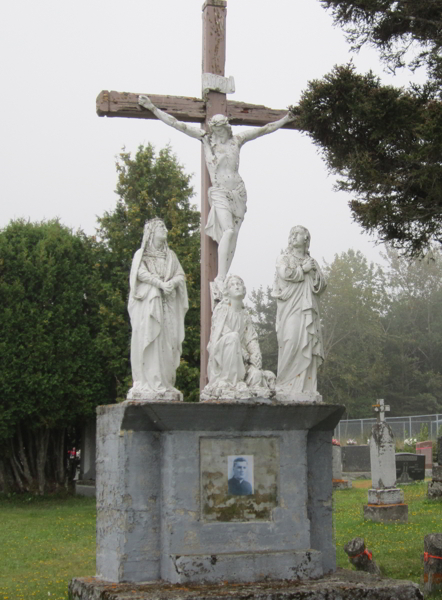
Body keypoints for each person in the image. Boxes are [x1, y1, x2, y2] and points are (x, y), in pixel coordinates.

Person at [138, 94, 295, 284]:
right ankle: (220, 278)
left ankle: (225, 276)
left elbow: (265, 129)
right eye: (216, 129)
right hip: (220, 191)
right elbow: (177, 124)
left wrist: (286, 119)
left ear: (227, 128)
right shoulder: (206, 140)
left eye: (222, 129)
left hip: (238, 191)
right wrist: (153, 108)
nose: (219, 133)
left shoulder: (237, 140)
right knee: (228, 231)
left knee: (234, 236)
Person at [127, 218, 188, 400]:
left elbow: (180, 275)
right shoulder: (142, 254)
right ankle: (148, 382)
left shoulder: (171, 256)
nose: (165, 229)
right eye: (161, 226)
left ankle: (165, 382)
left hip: (167, 307)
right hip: (149, 307)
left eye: (165, 226)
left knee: (167, 343)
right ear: (151, 232)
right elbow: (139, 273)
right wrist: (160, 284)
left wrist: (171, 283)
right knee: (151, 340)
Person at [201, 274, 275, 400]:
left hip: (241, 360)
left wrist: (255, 355)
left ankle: (247, 385)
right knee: (233, 337)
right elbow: (221, 333)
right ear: (227, 292)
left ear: (244, 289)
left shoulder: (245, 314)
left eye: (238, 284)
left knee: (257, 375)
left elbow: (251, 338)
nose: (236, 287)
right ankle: (229, 382)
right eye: (232, 285)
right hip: (223, 355)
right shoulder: (222, 309)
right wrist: (243, 351)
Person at [273, 226, 327, 397]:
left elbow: (321, 284)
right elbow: (284, 273)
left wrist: (315, 275)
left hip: (307, 308)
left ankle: (305, 387)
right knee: (291, 339)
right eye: (292, 234)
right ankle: (284, 384)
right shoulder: (284, 258)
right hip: (290, 308)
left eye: (298, 234)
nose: (294, 236)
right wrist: (302, 270)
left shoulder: (312, 262)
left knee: (308, 343)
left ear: (306, 239)